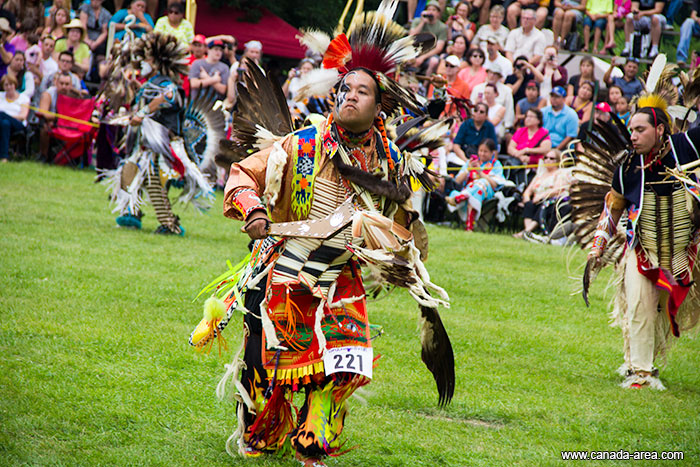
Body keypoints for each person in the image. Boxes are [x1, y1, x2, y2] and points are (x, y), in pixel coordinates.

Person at [204, 5, 454, 464]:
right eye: (345, 89)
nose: (349, 96)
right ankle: (264, 430)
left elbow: (406, 227)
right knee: (268, 380)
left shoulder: (392, 163)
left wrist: (401, 255)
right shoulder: (302, 144)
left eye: (362, 91)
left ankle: (313, 448)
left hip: (342, 280)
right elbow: (242, 174)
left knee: (341, 369)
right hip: (285, 274)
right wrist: (253, 208)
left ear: (380, 106)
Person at [584, 98, 700, 390]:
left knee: (660, 310)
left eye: (640, 130)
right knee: (639, 305)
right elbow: (613, 209)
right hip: (642, 249)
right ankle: (641, 373)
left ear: (659, 130)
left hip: (682, 251)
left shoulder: (685, 146)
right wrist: (598, 245)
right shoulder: (628, 168)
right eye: (631, 130)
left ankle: (642, 358)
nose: (633, 136)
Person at [104, 32, 213, 235]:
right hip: (145, 144)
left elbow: (167, 98)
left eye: (146, 59)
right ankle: (131, 213)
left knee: (154, 182)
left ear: (155, 62)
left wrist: (143, 112)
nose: (142, 63)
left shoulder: (166, 84)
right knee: (129, 172)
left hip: (159, 144)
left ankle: (170, 224)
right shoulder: (151, 82)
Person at [446, 138, 504, 230]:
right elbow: (457, 180)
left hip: (487, 193)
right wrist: (468, 169)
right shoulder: (471, 162)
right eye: (480, 151)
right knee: (474, 194)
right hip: (473, 192)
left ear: (492, 153)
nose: (482, 154)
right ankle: (469, 226)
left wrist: (480, 172)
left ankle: (462, 197)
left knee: (482, 182)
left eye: (485, 151)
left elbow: (494, 184)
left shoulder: (496, 164)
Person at [514, 148, 571, 239]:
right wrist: (526, 197)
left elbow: (557, 190)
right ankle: (528, 232)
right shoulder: (540, 174)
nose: (548, 160)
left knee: (543, 206)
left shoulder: (560, 173)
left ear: (558, 161)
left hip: (551, 201)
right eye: (546, 158)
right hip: (536, 200)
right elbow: (528, 190)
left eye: (551, 158)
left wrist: (541, 196)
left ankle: (526, 232)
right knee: (529, 204)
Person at [471, 62, 514, 130]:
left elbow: (509, 110)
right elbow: (471, 107)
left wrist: (507, 127)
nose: (492, 76)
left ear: (499, 76)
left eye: (495, 74)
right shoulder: (477, 88)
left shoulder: (506, 90)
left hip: (499, 125)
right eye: (490, 73)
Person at [409, 0, 447, 75]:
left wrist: (423, 57)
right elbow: (411, 37)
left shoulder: (442, 27)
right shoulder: (417, 21)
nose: (431, 12)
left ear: (438, 13)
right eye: (429, 9)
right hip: (415, 50)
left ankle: (426, 81)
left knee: (434, 61)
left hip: (429, 54)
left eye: (433, 10)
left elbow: (439, 48)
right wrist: (422, 22)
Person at [0, 74, 28, 162]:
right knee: (5, 124)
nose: (9, 87)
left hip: (17, 124)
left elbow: (23, 116)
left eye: (11, 84)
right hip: (3, 124)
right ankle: (4, 157)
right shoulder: (0, 96)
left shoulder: (23, 98)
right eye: (6, 85)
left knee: (2, 114)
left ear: (15, 85)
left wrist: (6, 116)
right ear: (3, 87)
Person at [542, 86, 579, 151]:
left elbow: (570, 137)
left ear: (564, 99)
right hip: (543, 145)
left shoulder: (571, 114)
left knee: (551, 155)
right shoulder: (543, 111)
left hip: (562, 149)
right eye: (552, 96)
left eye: (557, 97)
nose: (554, 99)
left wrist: (556, 150)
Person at [676, 1, 700, 67]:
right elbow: (693, 15)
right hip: (697, 25)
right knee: (688, 22)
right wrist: (698, 19)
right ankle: (681, 57)